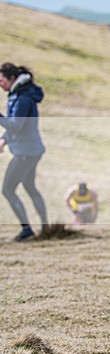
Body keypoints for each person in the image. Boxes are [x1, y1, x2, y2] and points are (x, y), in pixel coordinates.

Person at [0, 63, 48, 242]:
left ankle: (27, 229)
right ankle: (45, 227)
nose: (0, 84)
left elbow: (15, 126)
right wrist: (4, 140)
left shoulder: (22, 99)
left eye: (1, 80)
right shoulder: (20, 95)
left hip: (25, 153)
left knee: (7, 189)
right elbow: (16, 126)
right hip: (30, 151)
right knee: (29, 187)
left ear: (12, 79)